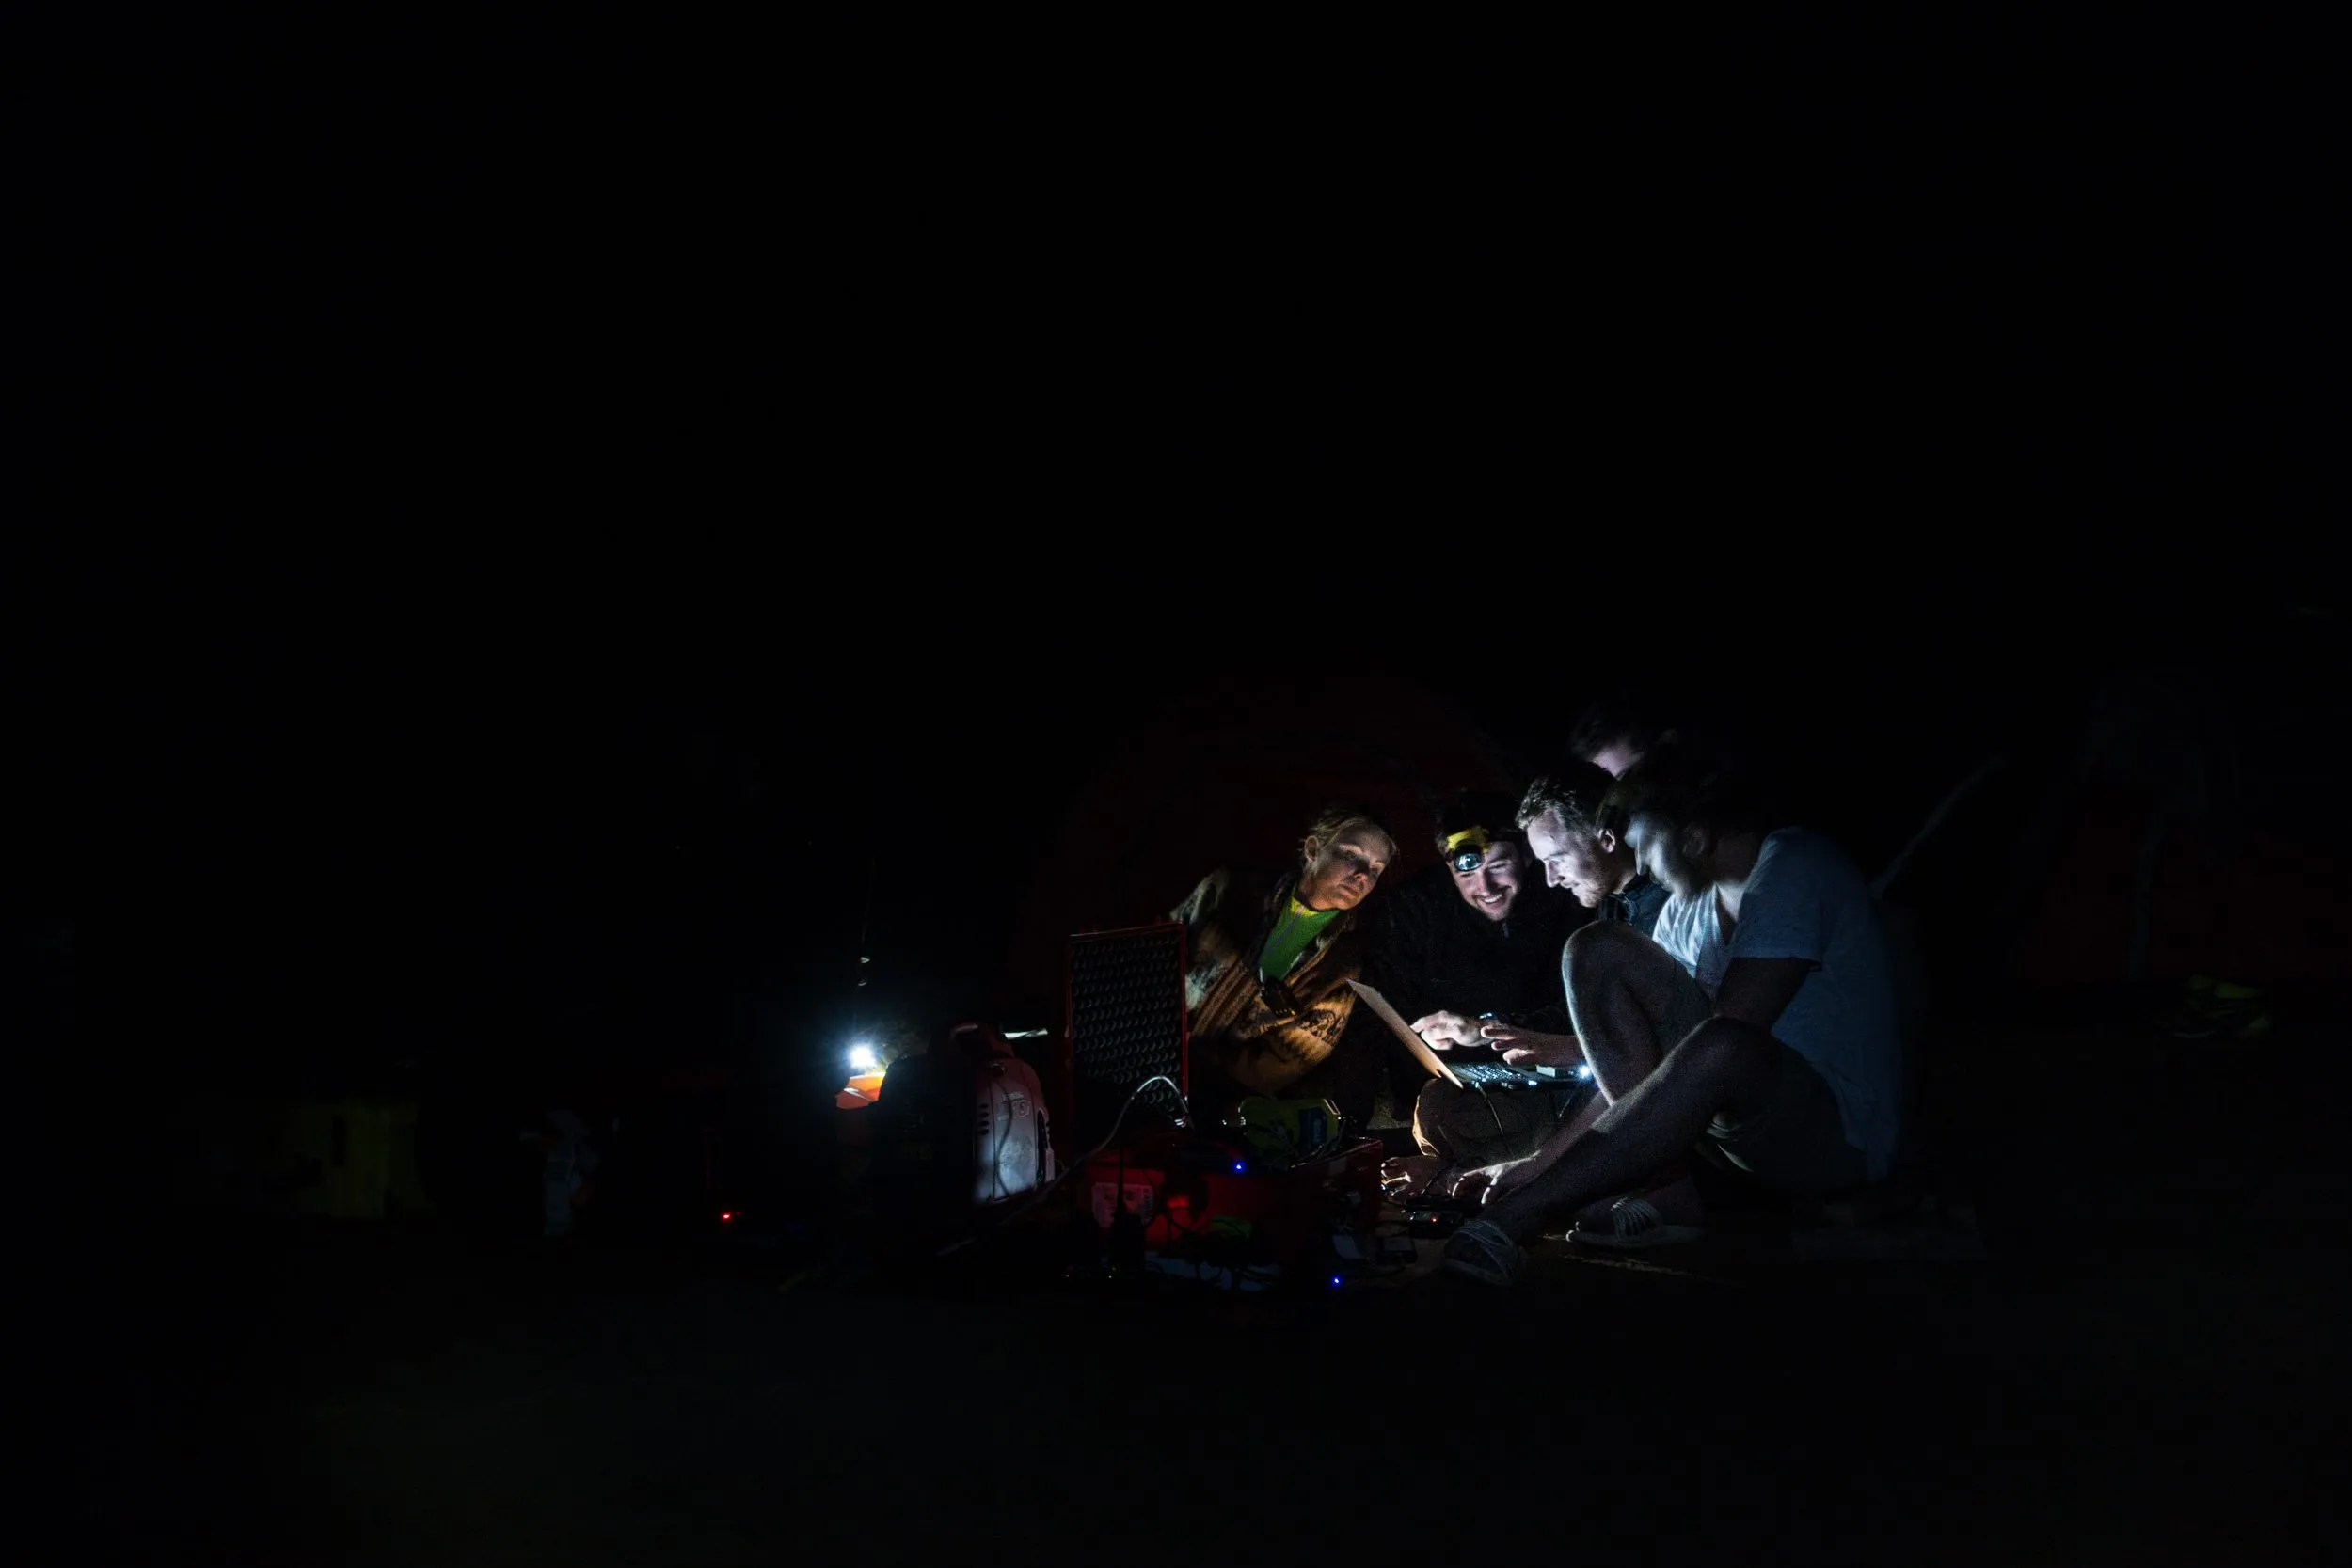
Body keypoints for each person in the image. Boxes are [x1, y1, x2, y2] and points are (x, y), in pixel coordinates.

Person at [1441, 744, 1906, 1281]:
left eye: (1639, 841)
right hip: (1722, 1135)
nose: (1637, 860)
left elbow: (1722, 1045)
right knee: (1595, 949)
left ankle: (1520, 1216)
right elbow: (1648, 1075)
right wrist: (1538, 1163)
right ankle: (1666, 1192)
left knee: (1723, 1042)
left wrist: (1547, 1183)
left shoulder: (1795, 864)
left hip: (1831, 1138)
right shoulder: (1687, 910)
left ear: (1693, 836)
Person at [1363, 792, 1591, 1192]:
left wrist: (1487, 1028)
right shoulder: (1421, 908)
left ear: (1526, 856)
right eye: (1466, 873)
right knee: (1436, 1108)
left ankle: (1475, 1178)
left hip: (1567, 1068)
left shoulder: (1568, 896)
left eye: (1498, 866)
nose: (1484, 887)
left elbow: (1577, 1011)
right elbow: (1395, 1001)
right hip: (1485, 1073)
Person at [1172, 803, 1397, 1121]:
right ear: (1313, 848)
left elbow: (1279, 1064)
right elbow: (1156, 961)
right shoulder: (1229, 891)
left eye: (1375, 869)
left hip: (1219, 1106)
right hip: (1143, 1061)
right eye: (1351, 855)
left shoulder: (1341, 965)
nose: (1362, 874)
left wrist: (1188, 1064)